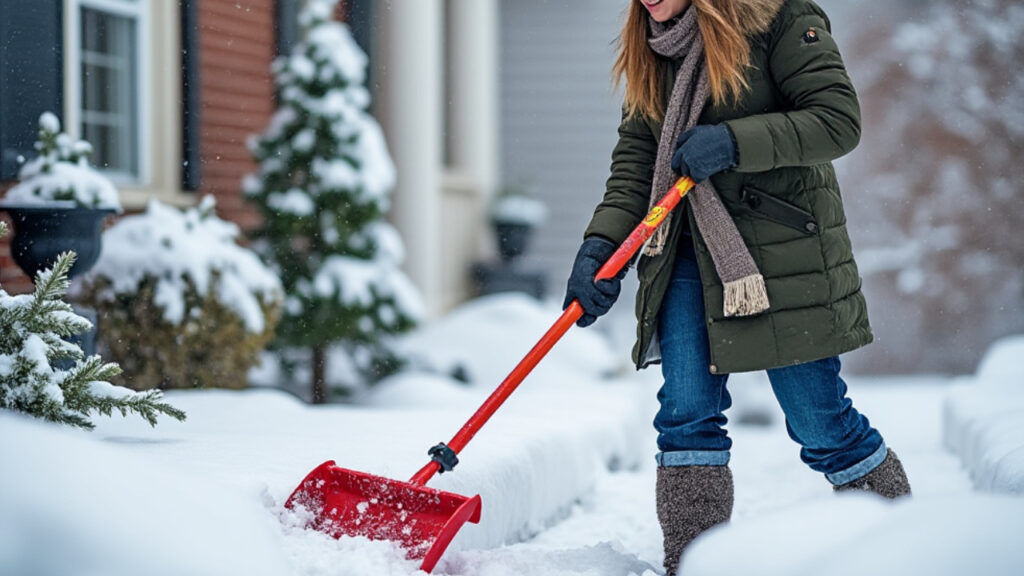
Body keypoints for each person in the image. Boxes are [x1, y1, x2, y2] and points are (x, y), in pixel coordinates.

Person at [561, 0, 912, 573]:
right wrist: (599, 247)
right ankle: (691, 561)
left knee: (819, 421)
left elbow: (837, 120)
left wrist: (732, 142)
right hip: (681, 249)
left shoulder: (778, 16)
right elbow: (637, 160)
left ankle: (904, 542)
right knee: (685, 412)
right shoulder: (651, 43)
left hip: (780, 253)